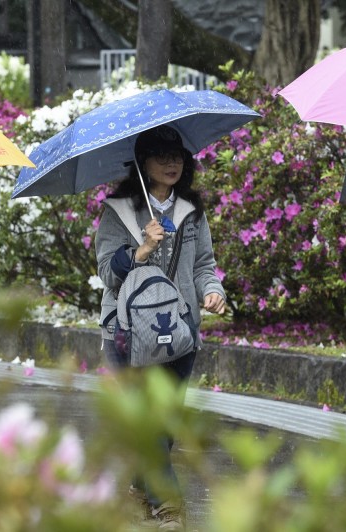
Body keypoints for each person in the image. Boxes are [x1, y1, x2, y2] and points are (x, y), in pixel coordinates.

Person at [95, 125, 226, 530]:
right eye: (161, 155)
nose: (172, 163)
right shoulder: (117, 211)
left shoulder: (191, 210)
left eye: (177, 155)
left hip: (179, 329)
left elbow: (203, 264)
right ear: (142, 163)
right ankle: (168, 505)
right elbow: (105, 272)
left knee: (164, 424)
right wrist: (140, 250)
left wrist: (213, 292)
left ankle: (137, 491)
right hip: (126, 332)